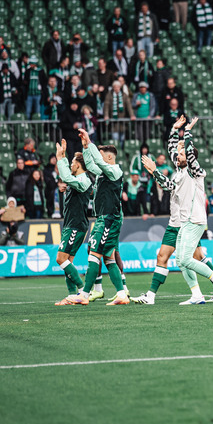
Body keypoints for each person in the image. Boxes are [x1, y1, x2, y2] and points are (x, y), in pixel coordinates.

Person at [131, 117, 213, 305]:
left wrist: (188, 131)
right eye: (178, 152)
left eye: (182, 152)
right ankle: (197, 295)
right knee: (181, 260)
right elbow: (168, 181)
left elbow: (189, 155)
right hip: (183, 221)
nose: (178, 154)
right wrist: (174, 131)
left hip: (194, 220)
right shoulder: (179, 173)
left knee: (192, 258)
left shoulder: (195, 171)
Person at [56, 130, 129, 305]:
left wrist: (90, 143)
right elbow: (90, 162)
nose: (99, 158)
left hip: (108, 218)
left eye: (102, 155)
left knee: (94, 255)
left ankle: (85, 294)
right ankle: (121, 293)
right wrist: (86, 147)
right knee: (108, 257)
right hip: (105, 218)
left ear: (109, 158)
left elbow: (96, 161)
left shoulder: (115, 170)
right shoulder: (105, 172)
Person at [53, 140, 93, 299]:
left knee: (60, 259)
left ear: (78, 165)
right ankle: (72, 295)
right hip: (72, 224)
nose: (70, 165)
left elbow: (67, 178)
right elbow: (69, 182)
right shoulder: (78, 181)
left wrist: (60, 158)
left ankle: (83, 291)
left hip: (76, 225)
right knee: (67, 261)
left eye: (72, 162)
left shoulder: (84, 180)